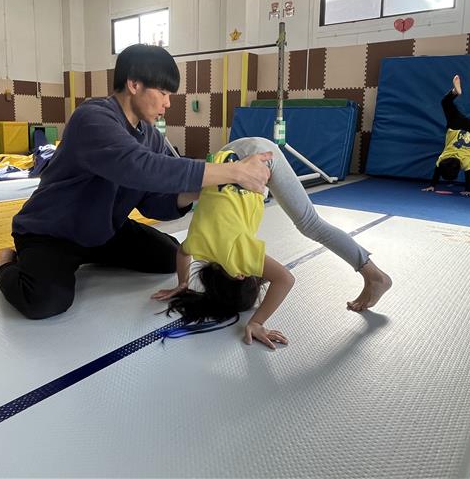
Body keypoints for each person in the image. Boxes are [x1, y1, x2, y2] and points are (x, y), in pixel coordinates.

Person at [0, 44, 272, 320]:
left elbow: (155, 202)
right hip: (52, 232)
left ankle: (88, 254)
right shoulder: (92, 118)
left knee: (169, 256)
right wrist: (233, 172)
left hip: (102, 230)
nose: (168, 103)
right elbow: (139, 167)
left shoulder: (149, 135)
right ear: (134, 84)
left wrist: (199, 191)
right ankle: (6, 264)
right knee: (45, 301)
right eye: (163, 93)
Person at [151, 137, 392, 350]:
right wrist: (182, 283)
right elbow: (182, 254)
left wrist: (257, 322)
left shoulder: (239, 257)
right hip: (227, 154)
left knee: (310, 223)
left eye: (256, 278)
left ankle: (375, 276)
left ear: (239, 275)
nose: (260, 276)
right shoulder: (198, 243)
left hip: (260, 156)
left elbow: (285, 279)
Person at [422, 74, 470, 196]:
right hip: (457, 127)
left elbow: (469, 174)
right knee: (445, 103)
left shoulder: (466, 162)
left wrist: (469, 189)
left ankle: (455, 91)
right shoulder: (443, 157)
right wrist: (432, 184)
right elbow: (437, 170)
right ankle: (455, 92)